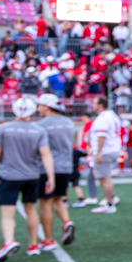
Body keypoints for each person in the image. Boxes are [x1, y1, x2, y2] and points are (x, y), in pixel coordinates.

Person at [0, 97, 55, 262]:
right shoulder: (39, 130)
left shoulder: (4, 129)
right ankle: (33, 245)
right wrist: (50, 176)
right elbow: (46, 155)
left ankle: (9, 241)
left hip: (9, 176)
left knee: (7, 213)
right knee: (31, 209)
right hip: (31, 176)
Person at [35, 93, 77, 247]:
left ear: (47, 107)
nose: (38, 109)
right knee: (57, 199)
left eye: (40, 106)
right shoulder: (69, 123)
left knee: (45, 203)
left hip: (47, 168)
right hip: (65, 167)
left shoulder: (41, 125)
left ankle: (48, 240)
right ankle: (67, 222)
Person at [87, 95, 122, 214]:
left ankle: (109, 204)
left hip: (106, 151)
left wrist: (98, 152)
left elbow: (101, 135)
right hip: (111, 149)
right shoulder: (112, 115)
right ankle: (111, 198)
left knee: (104, 178)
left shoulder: (103, 117)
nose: (92, 105)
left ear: (101, 105)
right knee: (102, 176)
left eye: (94, 103)